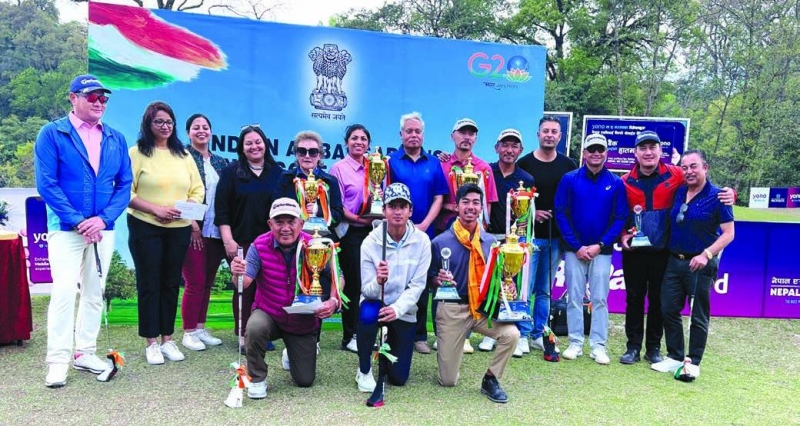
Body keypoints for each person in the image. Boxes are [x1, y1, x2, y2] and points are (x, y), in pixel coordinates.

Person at [34, 74, 132, 388]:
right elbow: (47, 184)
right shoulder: (52, 133)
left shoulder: (116, 138)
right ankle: (57, 361)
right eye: (92, 97)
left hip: (103, 228)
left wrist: (102, 220)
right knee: (64, 291)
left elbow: (124, 185)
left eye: (103, 98)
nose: (99, 102)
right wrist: (78, 221)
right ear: (73, 98)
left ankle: (84, 353)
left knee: (94, 291)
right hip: (66, 228)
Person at [618, 131, 735, 365]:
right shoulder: (624, 181)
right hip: (635, 253)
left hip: (664, 253)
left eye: (653, 147)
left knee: (659, 302)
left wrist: (730, 193)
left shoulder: (677, 174)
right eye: (643, 148)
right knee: (634, 299)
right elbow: (619, 213)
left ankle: (653, 348)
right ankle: (633, 347)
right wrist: (622, 235)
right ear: (635, 153)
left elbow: (705, 184)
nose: (648, 152)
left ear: (660, 151)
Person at [229, 198, 340, 398]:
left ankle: (290, 351)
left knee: (305, 380)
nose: (285, 228)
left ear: (301, 223)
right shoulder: (258, 246)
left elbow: (338, 277)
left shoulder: (315, 245)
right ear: (270, 224)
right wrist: (237, 273)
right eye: (279, 222)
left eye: (291, 221)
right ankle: (257, 378)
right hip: (269, 313)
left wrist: (333, 300)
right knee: (254, 327)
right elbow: (243, 283)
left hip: (302, 321)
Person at [127, 101, 205, 365]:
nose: (165, 126)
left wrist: (187, 207)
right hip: (145, 226)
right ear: (148, 124)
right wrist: (156, 209)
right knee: (149, 283)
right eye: (159, 121)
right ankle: (151, 342)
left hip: (178, 228)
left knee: (171, 283)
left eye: (169, 122)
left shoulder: (183, 155)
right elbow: (126, 192)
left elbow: (197, 189)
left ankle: (167, 339)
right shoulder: (136, 153)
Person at [651, 150, 735, 380]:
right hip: (674, 261)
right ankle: (675, 356)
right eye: (685, 167)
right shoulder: (680, 192)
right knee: (669, 309)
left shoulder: (719, 196)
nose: (689, 171)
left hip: (700, 264)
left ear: (705, 168)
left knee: (698, 315)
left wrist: (706, 254)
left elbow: (729, 234)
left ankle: (694, 361)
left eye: (694, 166)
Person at [432, 184, 520, 404]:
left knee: (511, 334)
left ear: (482, 208)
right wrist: (437, 279)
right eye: (465, 202)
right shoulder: (440, 242)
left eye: (475, 202)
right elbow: (428, 279)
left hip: (482, 309)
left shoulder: (491, 242)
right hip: (452, 309)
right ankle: (450, 349)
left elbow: (500, 277)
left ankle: (491, 379)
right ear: (456, 206)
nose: (470, 207)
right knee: (448, 380)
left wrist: (508, 287)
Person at [554, 133, 627, 365]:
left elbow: (620, 217)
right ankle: (575, 342)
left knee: (599, 299)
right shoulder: (569, 179)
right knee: (574, 297)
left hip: (601, 251)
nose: (596, 153)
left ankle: (598, 345)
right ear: (584, 153)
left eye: (600, 150)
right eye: (591, 149)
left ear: (606, 153)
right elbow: (560, 213)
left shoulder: (616, 182)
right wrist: (577, 246)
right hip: (574, 250)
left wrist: (601, 245)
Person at [355, 183, 431, 392]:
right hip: (376, 303)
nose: (398, 212)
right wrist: (378, 281)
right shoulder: (370, 242)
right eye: (392, 206)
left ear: (410, 211)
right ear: (384, 210)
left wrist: (396, 309)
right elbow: (366, 291)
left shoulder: (423, 241)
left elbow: (417, 286)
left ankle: (387, 347)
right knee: (367, 315)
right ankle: (364, 369)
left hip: (404, 309)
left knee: (398, 378)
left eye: (403, 206)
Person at [215, 124, 284, 352]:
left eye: (258, 142)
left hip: (271, 243)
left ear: (265, 144)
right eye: (248, 143)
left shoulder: (278, 173)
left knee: (267, 289)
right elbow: (222, 210)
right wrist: (228, 240)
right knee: (244, 287)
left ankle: (263, 333)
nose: (254, 146)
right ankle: (244, 335)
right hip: (240, 241)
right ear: (242, 148)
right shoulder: (231, 172)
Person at [386, 112, 449, 354]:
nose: (413, 135)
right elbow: (383, 198)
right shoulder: (390, 162)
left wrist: (423, 225)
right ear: (400, 134)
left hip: (425, 233)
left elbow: (439, 198)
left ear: (423, 134)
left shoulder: (433, 163)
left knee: (421, 284)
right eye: (409, 131)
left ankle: (419, 336)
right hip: (396, 233)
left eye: (417, 131)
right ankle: (391, 332)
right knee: (395, 281)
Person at [435, 118, 500, 354]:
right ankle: (443, 334)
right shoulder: (442, 164)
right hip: (447, 233)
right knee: (443, 281)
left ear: (476, 138)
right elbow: (437, 199)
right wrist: (455, 209)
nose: (467, 137)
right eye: (462, 132)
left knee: (471, 281)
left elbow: (487, 204)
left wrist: (480, 228)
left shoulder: (484, 168)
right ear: (453, 136)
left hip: (474, 235)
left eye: (471, 134)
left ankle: (466, 336)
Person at [516, 116, 577, 354]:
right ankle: (521, 334)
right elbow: (516, 202)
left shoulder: (569, 165)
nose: (549, 135)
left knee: (544, 290)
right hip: (529, 237)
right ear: (538, 134)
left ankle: (538, 333)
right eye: (545, 131)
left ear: (560, 137)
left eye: (554, 132)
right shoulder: (524, 164)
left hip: (555, 238)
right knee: (525, 287)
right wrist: (533, 213)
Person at [479, 129, 535, 357]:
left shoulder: (526, 179)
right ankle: (489, 331)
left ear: (520, 150)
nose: (509, 150)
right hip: (488, 237)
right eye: (505, 145)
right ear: (497, 148)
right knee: (491, 285)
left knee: (513, 285)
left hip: (514, 242)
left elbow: (527, 215)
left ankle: (516, 333)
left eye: (514, 146)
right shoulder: (486, 172)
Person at [180, 114, 229, 351]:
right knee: (195, 282)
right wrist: (193, 226)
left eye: (205, 127)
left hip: (215, 230)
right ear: (188, 132)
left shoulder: (221, 162)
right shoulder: (181, 157)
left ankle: (200, 328)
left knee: (207, 282)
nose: (201, 131)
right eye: (196, 127)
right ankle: (188, 332)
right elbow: (180, 192)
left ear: (211, 131)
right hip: (193, 230)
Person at [329, 124, 377, 353]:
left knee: (373, 283)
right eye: (354, 138)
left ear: (368, 143)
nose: (359, 142)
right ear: (346, 142)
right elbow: (337, 206)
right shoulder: (338, 169)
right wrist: (360, 219)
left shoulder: (376, 166)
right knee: (355, 284)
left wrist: (374, 219)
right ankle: (351, 335)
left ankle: (369, 332)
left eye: (363, 138)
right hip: (351, 232)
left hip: (374, 231)